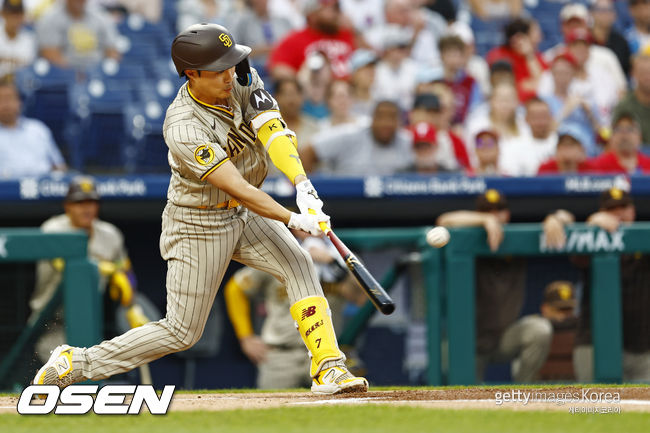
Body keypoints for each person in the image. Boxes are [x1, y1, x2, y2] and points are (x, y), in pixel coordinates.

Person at [33, 23, 368, 395]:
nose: (230, 73)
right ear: (191, 73)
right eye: (218, 67)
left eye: (231, 63)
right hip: (199, 222)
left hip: (245, 213)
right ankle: (77, 363)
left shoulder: (242, 76)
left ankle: (329, 368)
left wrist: (302, 184)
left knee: (299, 264)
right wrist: (293, 218)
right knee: (182, 331)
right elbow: (237, 187)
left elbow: (273, 131)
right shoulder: (183, 125)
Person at [436, 190, 554, 382]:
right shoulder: (469, 235)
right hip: (468, 338)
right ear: (478, 213)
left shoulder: (517, 237)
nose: (494, 215)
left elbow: (564, 218)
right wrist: (486, 221)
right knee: (460, 391)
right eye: (487, 210)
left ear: (507, 213)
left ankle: (524, 391)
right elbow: (445, 220)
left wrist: (555, 218)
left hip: (505, 336)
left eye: (498, 210)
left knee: (539, 329)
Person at [29, 176, 145, 363]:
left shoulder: (111, 235)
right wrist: (100, 267)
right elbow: (62, 265)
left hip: (89, 322)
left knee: (90, 379)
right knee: (60, 373)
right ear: (67, 206)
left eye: (91, 202)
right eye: (79, 203)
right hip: (51, 323)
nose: (86, 208)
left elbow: (127, 272)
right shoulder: (52, 230)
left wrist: (132, 304)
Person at [224, 231, 361, 389]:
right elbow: (235, 288)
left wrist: (332, 264)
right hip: (282, 354)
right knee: (273, 411)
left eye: (316, 225)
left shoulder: (343, 257)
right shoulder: (280, 256)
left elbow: (360, 298)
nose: (311, 231)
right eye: (306, 227)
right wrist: (245, 337)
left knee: (337, 408)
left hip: (330, 355)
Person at [550, 188, 650, 383]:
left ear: (633, 211)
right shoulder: (591, 236)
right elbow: (577, 255)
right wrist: (590, 228)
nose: (619, 214)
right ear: (601, 212)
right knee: (596, 408)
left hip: (641, 346)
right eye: (612, 209)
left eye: (624, 208)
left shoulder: (643, 240)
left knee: (643, 411)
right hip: (594, 342)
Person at [301, 99, 413, 175]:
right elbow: (307, 152)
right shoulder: (350, 134)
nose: (386, 123)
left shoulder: (407, 142)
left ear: (399, 122)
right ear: (372, 119)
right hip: (343, 203)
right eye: (381, 117)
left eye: (391, 118)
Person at [267, 0, 355, 80]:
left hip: (353, 91)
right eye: (329, 8)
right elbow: (277, 68)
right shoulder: (295, 39)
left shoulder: (346, 34)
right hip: (318, 94)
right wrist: (304, 84)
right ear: (312, 14)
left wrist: (355, 30)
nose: (335, 13)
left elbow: (365, 56)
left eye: (336, 8)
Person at [538, 51, 602, 157]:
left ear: (573, 74)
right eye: (558, 72)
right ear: (552, 74)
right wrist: (566, 110)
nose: (562, 77)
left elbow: (601, 133)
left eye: (566, 72)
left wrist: (589, 113)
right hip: (557, 154)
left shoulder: (583, 99)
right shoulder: (543, 101)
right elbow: (545, 133)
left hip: (588, 153)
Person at [0, 79, 66, 178]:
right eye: (1, 100)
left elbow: (59, 166)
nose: (6, 104)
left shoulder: (38, 129)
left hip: (43, 187)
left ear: (19, 102)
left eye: (9, 98)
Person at [34, 0, 120, 70]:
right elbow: (49, 53)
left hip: (97, 72)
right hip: (64, 77)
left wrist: (99, 71)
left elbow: (112, 51)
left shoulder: (101, 17)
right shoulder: (50, 18)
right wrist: (75, 74)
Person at [486, 18, 546, 102]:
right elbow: (507, 86)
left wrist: (529, 56)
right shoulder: (499, 55)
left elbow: (544, 85)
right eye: (535, 32)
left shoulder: (538, 57)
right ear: (519, 38)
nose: (540, 36)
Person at [228, 0, 294, 74]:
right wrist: (265, 50)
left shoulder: (283, 20)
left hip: (283, 64)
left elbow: (293, 44)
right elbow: (236, 50)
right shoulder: (243, 23)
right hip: (256, 67)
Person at [537, 281, 578, 381]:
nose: (564, 316)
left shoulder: (583, 333)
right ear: (544, 309)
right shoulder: (535, 332)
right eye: (558, 310)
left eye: (567, 310)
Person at [438, 35, 482, 125]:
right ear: (442, 56)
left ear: (463, 57)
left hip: (464, 127)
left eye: (456, 55)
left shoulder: (471, 82)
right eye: (449, 55)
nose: (453, 59)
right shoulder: (434, 81)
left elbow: (475, 110)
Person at [612, 46, 650, 148]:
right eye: (643, 72)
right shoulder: (625, 106)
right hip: (636, 154)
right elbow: (616, 140)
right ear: (633, 74)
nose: (647, 76)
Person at [589, 0, 632, 77]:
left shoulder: (621, 42)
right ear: (591, 13)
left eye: (609, 10)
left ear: (614, 15)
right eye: (601, 10)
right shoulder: (584, 39)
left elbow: (626, 70)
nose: (605, 14)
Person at [0, 0, 36, 79]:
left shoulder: (29, 39)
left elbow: (29, 69)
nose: (15, 19)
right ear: (2, 13)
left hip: (19, 86)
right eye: (11, 14)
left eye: (19, 15)